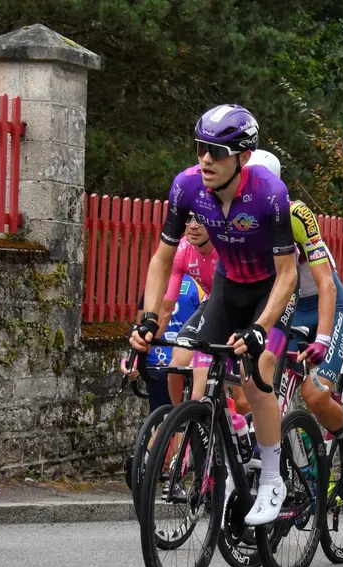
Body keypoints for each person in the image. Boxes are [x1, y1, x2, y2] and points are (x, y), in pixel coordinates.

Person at [129, 104, 298, 526]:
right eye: (202, 147)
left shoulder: (270, 194)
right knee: (191, 365)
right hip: (227, 287)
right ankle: (220, 460)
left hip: (271, 290)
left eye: (217, 152)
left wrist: (260, 329)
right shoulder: (186, 187)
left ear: (242, 157)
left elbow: (288, 275)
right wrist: (150, 319)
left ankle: (274, 478)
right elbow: (161, 259)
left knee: (258, 375)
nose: (206, 159)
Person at [244, 150, 343, 500]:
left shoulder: (296, 214)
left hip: (328, 306)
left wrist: (323, 338)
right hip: (288, 307)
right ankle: (299, 470)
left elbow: (326, 283)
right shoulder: (239, 219)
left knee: (313, 392)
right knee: (261, 384)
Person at [159, 213, 218, 405]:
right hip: (211, 304)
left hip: (241, 306)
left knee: (242, 400)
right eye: (189, 219)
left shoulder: (225, 248)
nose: (193, 226)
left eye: (201, 219)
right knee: (176, 367)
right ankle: (182, 425)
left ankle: (241, 431)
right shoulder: (183, 250)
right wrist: (143, 349)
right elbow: (166, 308)